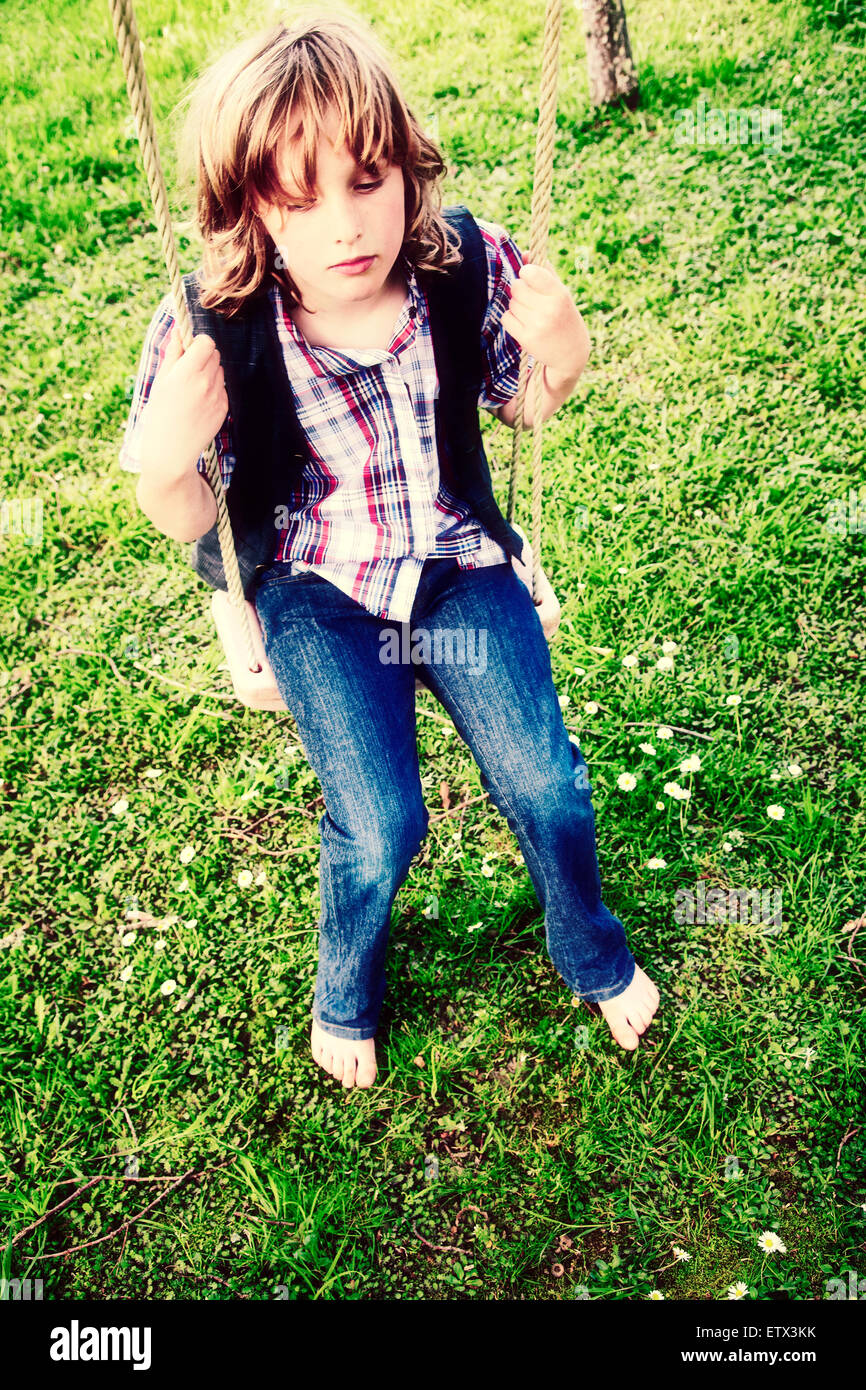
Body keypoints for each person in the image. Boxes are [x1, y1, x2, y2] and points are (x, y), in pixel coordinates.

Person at [119, 5, 659, 1089]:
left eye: (368, 179)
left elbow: (522, 407)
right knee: (379, 821)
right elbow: (187, 517)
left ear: (407, 169)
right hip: (315, 587)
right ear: (248, 210)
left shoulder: (460, 265)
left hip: (453, 563)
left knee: (546, 786)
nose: (343, 225)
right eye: (298, 197)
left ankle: (588, 946)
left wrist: (567, 354)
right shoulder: (212, 324)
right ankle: (343, 988)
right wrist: (165, 463)